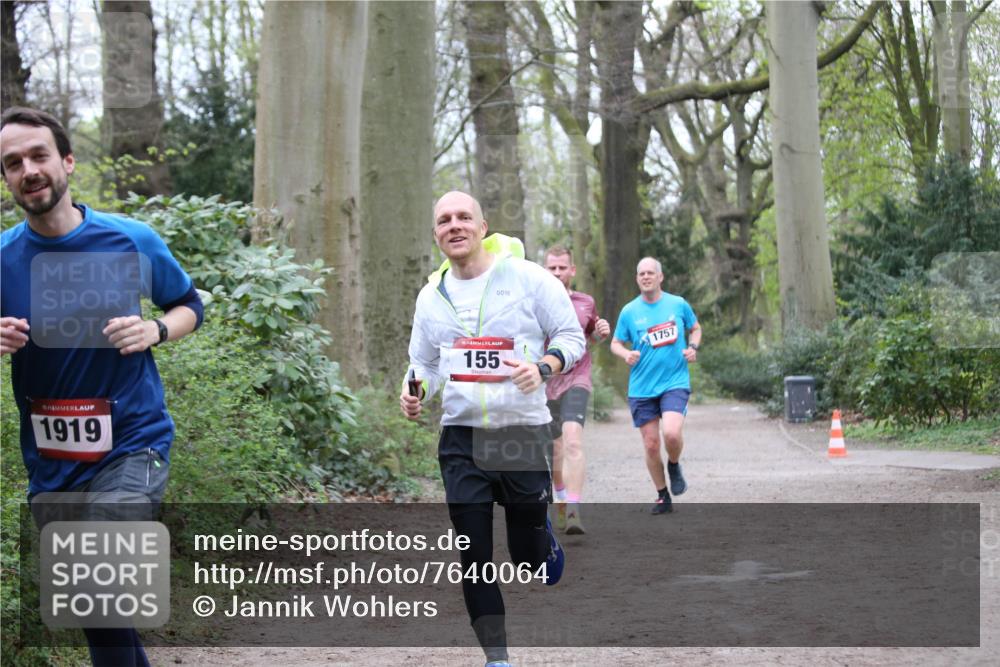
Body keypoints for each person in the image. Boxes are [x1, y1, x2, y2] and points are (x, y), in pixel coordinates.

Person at [0, 107, 203, 666]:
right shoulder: (2, 259)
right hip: (54, 460)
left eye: (39, 156)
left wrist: (155, 329)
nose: (28, 170)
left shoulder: (129, 239)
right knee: (99, 614)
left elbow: (190, 306)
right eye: (13, 163)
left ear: (66, 162)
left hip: (132, 444)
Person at [400, 191, 585, 667]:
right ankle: (497, 658)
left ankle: (542, 540)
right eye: (444, 220)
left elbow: (571, 336)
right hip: (461, 438)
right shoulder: (431, 296)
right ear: (436, 233)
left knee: (527, 559)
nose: (454, 226)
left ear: (483, 227)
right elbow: (423, 362)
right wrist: (415, 391)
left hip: (520, 431)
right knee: (474, 554)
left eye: (464, 217)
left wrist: (543, 367)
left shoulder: (527, 278)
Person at [610, 257, 701, 515]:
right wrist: (625, 354)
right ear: (637, 279)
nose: (646, 277)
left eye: (650, 273)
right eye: (641, 274)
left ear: (660, 277)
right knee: (651, 444)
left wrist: (693, 347)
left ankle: (673, 464)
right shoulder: (629, 311)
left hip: (674, 381)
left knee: (671, 434)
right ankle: (663, 495)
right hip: (641, 386)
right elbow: (615, 342)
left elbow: (695, 328)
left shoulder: (678, 304)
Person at [541, 246, 610, 535]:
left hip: (576, 379)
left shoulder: (585, 302)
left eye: (562, 268)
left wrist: (600, 333)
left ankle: (573, 510)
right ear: (545, 270)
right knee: (554, 451)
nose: (557, 273)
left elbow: (590, 338)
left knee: (572, 442)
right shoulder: (535, 302)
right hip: (544, 385)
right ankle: (560, 496)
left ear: (573, 270)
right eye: (552, 268)